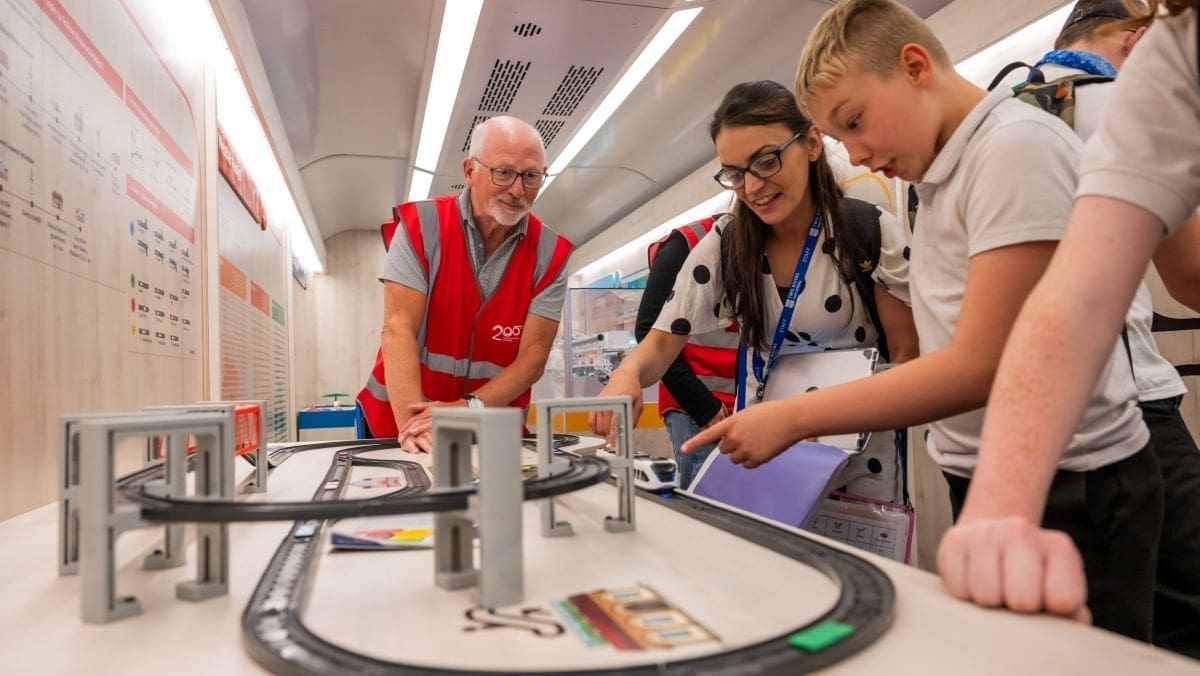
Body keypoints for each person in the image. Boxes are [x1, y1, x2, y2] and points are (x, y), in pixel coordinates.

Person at [686, 0, 1161, 642]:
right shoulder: (945, 177)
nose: (856, 152)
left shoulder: (1013, 149)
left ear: (914, 67)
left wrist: (795, 417)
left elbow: (982, 366)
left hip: (1072, 486)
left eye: (855, 122)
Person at [942, 0, 1200, 651]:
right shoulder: (1116, 92)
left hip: (1036, 412)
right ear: (1137, 38)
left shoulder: (1000, 111)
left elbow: (1069, 296)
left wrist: (997, 499)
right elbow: (1189, 271)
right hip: (1130, 401)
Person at [591, 80, 919, 502]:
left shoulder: (869, 231)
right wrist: (627, 375)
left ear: (813, 144)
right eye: (735, 174)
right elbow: (659, 343)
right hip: (771, 456)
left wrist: (816, 416)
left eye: (766, 162)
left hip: (862, 464)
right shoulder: (727, 245)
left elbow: (907, 362)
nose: (752, 188)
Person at [356, 116, 574, 452]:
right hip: (399, 424)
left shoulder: (551, 254)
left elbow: (532, 357)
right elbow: (398, 328)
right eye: (503, 172)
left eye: (531, 176)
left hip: (491, 430)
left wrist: (466, 409)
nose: (517, 190)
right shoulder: (421, 227)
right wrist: (416, 431)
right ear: (470, 171)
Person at [634, 217, 738, 490]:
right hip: (698, 410)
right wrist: (705, 408)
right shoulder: (687, 242)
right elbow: (649, 330)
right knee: (707, 506)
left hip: (750, 407)